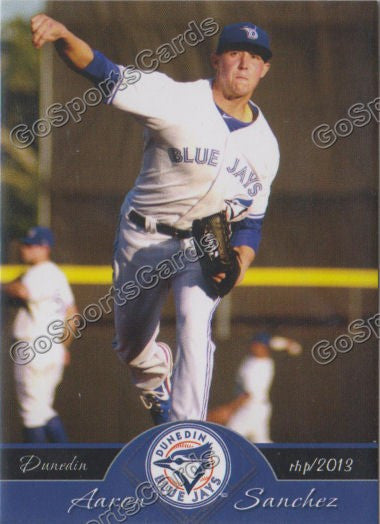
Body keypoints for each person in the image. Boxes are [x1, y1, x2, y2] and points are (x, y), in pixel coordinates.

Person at [30, 15, 279, 424]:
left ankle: (186, 433)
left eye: (255, 57)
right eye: (235, 53)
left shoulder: (266, 146)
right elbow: (103, 73)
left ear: (264, 69)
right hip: (143, 237)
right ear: (217, 60)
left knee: (195, 324)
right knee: (131, 347)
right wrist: (63, 35)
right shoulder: (175, 99)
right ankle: (152, 376)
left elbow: (253, 221)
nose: (244, 64)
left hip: (200, 247)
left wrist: (241, 262)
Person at [4, 226, 77, 442]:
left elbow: (22, 291)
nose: (24, 249)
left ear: (45, 248)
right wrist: (63, 347)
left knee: (31, 414)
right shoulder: (57, 274)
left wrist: (5, 287)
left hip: (32, 346)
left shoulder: (39, 272)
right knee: (42, 410)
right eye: (25, 244)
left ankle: (36, 471)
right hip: (51, 348)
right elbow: (73, 314)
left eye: (30, 245)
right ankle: (65, 463)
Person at [208, 333, 302, 442]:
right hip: (259, 408)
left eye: (258, 345)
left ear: (264, 347)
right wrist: (288, 344)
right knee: (263, 444)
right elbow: (275, 342)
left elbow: (248, 395)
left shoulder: (258, 368)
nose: (254, 346)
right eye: (254, 343)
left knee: (228, 439)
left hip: (250, 409)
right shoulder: (258, 359)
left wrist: (230, 409)